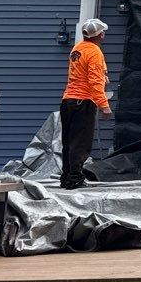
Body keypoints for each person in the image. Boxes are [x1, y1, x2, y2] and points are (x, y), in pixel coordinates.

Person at [61, 19, 112, 191]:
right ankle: (75, 179)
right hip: (83, 102)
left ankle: (66, 177)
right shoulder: (94, 52)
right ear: (100, 35)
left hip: (68, 101)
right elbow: (94, 82)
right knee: (80, 144)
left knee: (68, 142)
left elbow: (80, 75)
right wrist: (104, 105)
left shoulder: (77, 49)